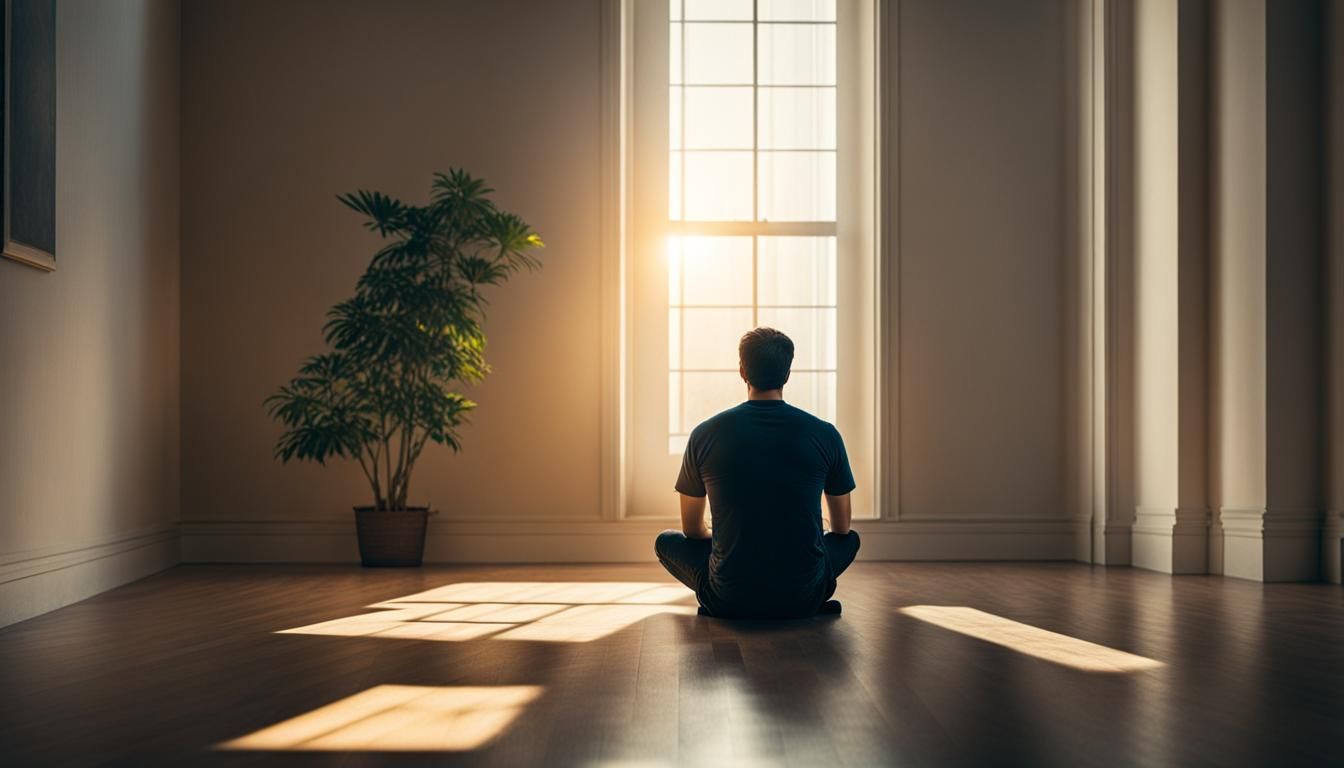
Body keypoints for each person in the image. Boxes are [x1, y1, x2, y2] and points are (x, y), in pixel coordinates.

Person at [655, 327, 861, 619]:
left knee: (665, 541)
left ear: (742, 371)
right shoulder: (826, 434)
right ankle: (804, 599)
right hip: (804, 597)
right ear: (787, 374)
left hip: (728, 598)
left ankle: (729, 595)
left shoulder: (704, 434)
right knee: (850, 540)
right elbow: (841, 529)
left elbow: (692, 530)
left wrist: (725, 538)